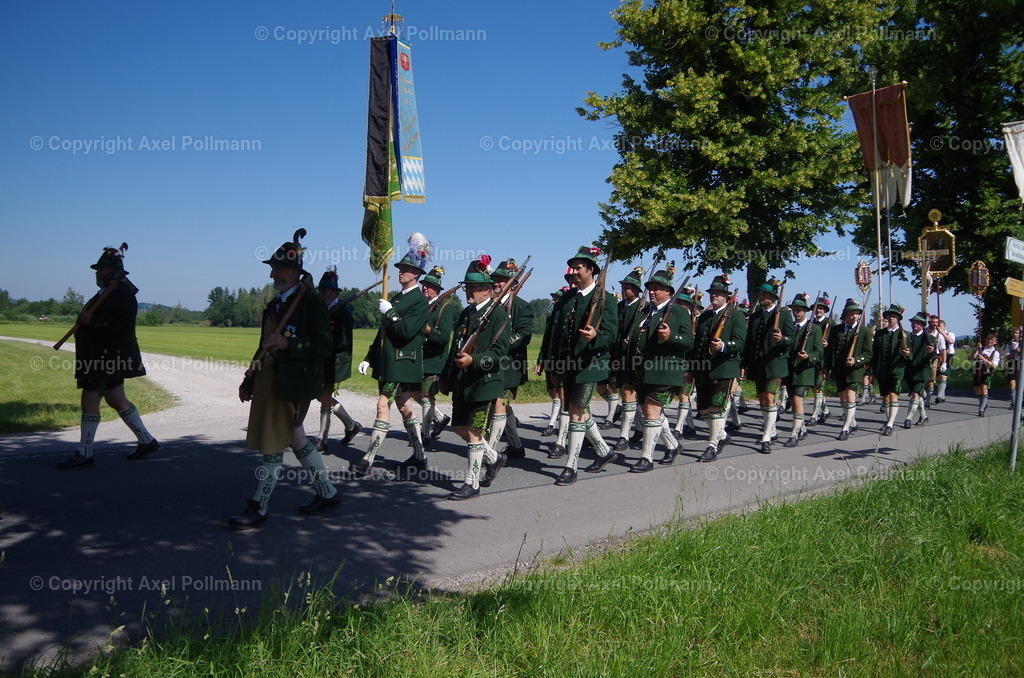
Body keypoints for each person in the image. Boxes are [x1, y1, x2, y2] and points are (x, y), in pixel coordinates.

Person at [229, 232, 339, 530]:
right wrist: (248, 378)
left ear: (293, 272)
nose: (272, 273)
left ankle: (259, 507)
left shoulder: (312, 303)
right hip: (269, 379)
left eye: (277, 269)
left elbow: (325, 344)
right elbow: (264, 343)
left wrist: (291, 345)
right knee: (296, 438)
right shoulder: (276, 303)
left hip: (293, 383)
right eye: (272, 268)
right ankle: (328, 493)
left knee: (273, 444)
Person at [57, 243, 159, 469]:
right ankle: (147, 441)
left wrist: (91, 320)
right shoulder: (104, 293)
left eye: (102, 269)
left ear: (114, 271)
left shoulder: (122, 294)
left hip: (108, 358)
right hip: (99, 356)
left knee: (90, 398)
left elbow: (122, 327)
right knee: (116, 399)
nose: (97, 272)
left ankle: (85, 452)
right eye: (98, 269)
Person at [537, 245, 620, 486]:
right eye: (573, 268)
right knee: (581, 412)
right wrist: (548, 361)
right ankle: (604, 451)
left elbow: (611, 335)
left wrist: (596, 336)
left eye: (579, 268)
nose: (574, 272)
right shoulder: (567, 298)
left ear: (591, 270)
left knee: (574, 411)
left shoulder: (607, 300)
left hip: (590, 365)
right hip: (566, 364)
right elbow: (553, 332)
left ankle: (570, 466)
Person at [350, 237, 431, 476]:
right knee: (405, 407)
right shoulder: (397, 297)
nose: (401, 272)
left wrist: (391, 313)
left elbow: (406, 331)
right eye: (400, 269)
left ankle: (368, 459)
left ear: (416, 274)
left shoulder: (419, 301)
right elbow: (382, 334)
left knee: (382, 405)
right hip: (388, 361)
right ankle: (419, 456)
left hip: (402, 363)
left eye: (406, 270)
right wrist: (369, 357)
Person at [439, 258, 511, 499]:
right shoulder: (465, 314)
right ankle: (494, 457)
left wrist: (475, 361)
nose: (469, 291)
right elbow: (454, 347)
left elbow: (500, 354)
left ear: (487, 290)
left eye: (474, 287)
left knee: (474, 433)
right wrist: (446, 378)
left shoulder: (498, 316)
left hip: (483, 384)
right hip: (462, 382)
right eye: (467, 286)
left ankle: (472, 484)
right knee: (459, 427)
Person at [630, 267, 691, 471]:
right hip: (642, 371)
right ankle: (673, 446)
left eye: (657, 288)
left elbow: (689, 342)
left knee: (651, 411)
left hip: (665, 371)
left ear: (668, 292)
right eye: (650, 288)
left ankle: (647, 458)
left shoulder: (680, 312)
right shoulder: (645, 312)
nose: (652, 292)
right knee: (649, 412)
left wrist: (671, 336)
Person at [692, 274, 746, 462]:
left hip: (723, 368)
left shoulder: (736, 316)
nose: (714, 295)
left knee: (716, 409)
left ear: (727, 296)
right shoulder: (705, 316)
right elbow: (697, 344)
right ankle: (722, 435)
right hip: (703, 368)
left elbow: (740, 344)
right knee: (703, 409)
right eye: (712, 292)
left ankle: (712, 445)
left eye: (719, 293)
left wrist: (723, 346)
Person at [487, 258, 534, 459]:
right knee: (498, 405)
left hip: (509, 366)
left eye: (502, 280)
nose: (497, 283)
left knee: (499, 402)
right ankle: (516, 445)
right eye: (495, 279)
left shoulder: (521, 307)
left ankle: (488, 451)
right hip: (489, 362)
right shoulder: (489, 305)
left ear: (512, 284)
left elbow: (524, 334)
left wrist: (501, 345)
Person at [742, 279, 794, 454]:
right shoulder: (756, 315)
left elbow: (791, 340)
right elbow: (749, 341)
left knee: (771, 398)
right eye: (761, 294)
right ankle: (771, 429)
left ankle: (766, 437)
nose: (761, 296)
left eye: (764, 294)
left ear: (773, 297)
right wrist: (744, 363)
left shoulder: (785, 315)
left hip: (775, 365)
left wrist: (783, 340)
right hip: (758, 364)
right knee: (763, 398)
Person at [313, 268, 361, 452]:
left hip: (334, 361)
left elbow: (343, 342)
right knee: (319, 394)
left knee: (324, 396)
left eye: (324, 291)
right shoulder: (322, 309)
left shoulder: (342, 312)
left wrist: (324, 341)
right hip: (320, 359)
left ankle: (321, 438)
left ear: (334, 292)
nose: (321, 294)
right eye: (320, 290)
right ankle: (351, 425)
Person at [824, 299, 873, 441]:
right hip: (839, 369)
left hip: (854, 370)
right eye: (851, 314)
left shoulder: (864, 331)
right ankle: (852, 421)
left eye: (856, 314)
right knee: (843, 398)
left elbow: (868, 353)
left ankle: (845, 427)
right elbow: (831, 351)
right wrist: (827, 368)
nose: (854, 317)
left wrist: (856, 360)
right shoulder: (836, 330)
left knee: (850, 395)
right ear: (845, 315)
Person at [419, 266, 456, 445]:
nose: (425, 288)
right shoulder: (421, 306)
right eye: (424, 284)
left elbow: (442, 337)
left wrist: (426, 329)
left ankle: (424, 435)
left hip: (434, 361)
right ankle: (439, 418)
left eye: (429, 285)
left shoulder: (444, 309)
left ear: (437, 290)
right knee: (414, 393)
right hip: (418, 359)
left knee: (426, 396)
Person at [610, 267, 645, 452]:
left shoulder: (643, 308)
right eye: (623, 286)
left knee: (627, 393)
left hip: (634, 358)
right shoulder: (619, 306)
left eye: (628, 287)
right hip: (618, 355)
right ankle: (639, 427)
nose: (624, 290)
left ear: (637, 290)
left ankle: (623, 435)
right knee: (616, 390)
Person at [783, 293, 823, 446]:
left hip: (804, 371)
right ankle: (802, 428)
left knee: (797, 398)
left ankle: (794, 433)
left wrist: (809, 357)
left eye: (799, 309)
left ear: (805, 311)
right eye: (794, 309)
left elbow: (819, 352)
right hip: (790, 369)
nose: (796, 312)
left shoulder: (815, 329)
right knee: (793, 399)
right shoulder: (789, 327)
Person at [871, 304, 909, 436]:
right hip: (882, 370)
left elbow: (911, 355)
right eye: (889, 316)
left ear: (898, 318)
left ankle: (890, 424)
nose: (891, 319)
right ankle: (888, 421)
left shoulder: (904, 334)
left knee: (893, 396)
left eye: (894, 316)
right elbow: (874, 354)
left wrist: (906, 354)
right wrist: (872, 371)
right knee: (885, 398)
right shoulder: (880, 334)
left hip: (896, 370)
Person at [903, 312, 936, 428]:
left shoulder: (930, 339)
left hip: (922, 371)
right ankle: (924, 416)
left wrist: (931, 352)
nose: (914, 325)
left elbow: (934, 356)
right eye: (913, 323)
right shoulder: (908, 337)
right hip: (909, 370)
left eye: (917, 323)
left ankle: (908, 419)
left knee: (915, 394)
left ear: (923, 325)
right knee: (917, 395)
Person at [808, 293, 833, 426]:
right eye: (817, 308)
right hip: (812, 360)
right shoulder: (810, 323)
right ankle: (826, 411)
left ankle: (814, 416)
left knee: (818, 388)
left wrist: (827, 343)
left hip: (823, 361)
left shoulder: (830, 323)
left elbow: (834, 343)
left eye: (821, 308)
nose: (818, 310)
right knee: (815, 388)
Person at [971, 334, 1001, 417]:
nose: (990, 341)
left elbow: (994, 365)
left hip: (986, 371)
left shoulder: (995, 353)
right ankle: (983, 404)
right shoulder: (981, 349)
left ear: (995, 342)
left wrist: (984, 359)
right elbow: (971, 357)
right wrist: (977, 349)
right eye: (988, 339)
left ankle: (981, 410)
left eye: (992, 340)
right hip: (977, 370)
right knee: (977, 390)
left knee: (984, 388)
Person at [924, 315, 948, 407]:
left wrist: (944, 363)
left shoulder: (939, 335)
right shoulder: (924, 332)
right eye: (933, 322)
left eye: (936, 322)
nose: (934, 324)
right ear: (929, 322)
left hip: (934, 359)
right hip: (923, 358)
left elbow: (943, 350)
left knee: (931, 380)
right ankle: (924, 395)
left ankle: (927, 402)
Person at [934, 319, 957, 404]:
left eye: (940, 326)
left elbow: (951, 341)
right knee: (937, 377)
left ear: (944, 326)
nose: (938, 327)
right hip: (938, 355)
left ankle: (939, 396)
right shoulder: (936, 334)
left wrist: (942, 333)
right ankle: (942, 395)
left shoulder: (950, 334)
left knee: (944, 375)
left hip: (948, 356)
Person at [1004, 326, 1022, 409]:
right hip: (1012, 363)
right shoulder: (1010, 345)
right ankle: (1014, 403)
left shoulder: (1022, 343)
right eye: (1014, 333)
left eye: (1017, 333)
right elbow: (1007, 357)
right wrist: (1015, 351)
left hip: (1021, 364)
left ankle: (1020, 401)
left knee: (1021, 383)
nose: (1015, 335)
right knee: (1012, 383)